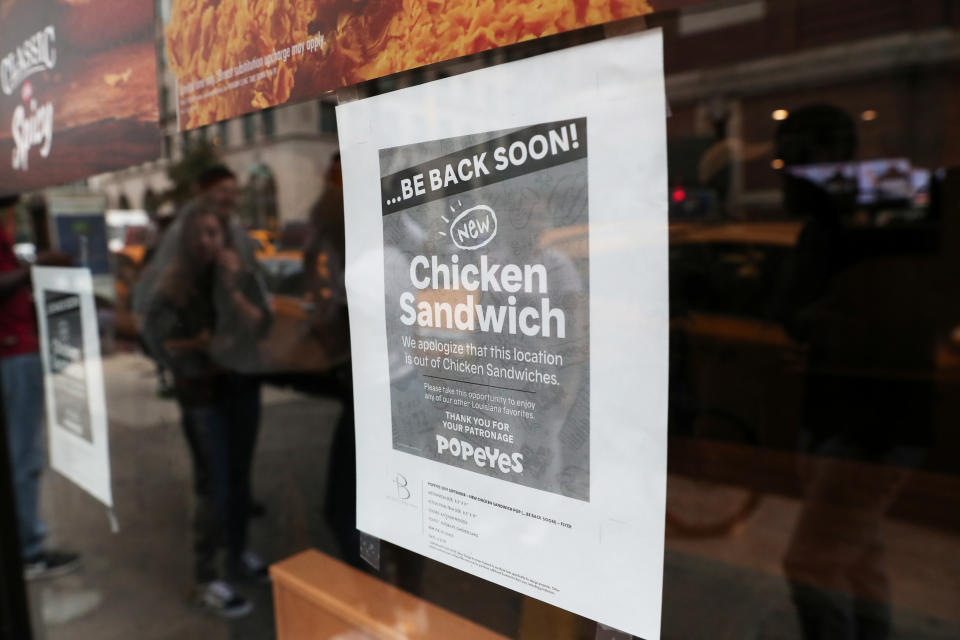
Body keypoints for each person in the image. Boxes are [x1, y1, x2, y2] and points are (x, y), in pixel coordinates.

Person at [143, 201, 271, 617]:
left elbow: (262, 323)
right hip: (202, 395)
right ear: (185, 240)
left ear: (224, 236)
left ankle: (236, 556)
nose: (206, 241)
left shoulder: (237, 273)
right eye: (197, 234)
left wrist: (233, 287)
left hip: (240, 389)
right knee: (212, 483)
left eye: (213, 233)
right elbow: (155, 338)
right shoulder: (176, 282)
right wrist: (189, 353)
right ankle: (207, 573)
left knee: (238, 478)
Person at [0, 194, 80, 579]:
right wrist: (34, 268)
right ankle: (28, 549)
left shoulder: (6, 231)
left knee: (22, 455)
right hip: (13, 355)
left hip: (18, 351)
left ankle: (24, 544)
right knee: (24, 456)